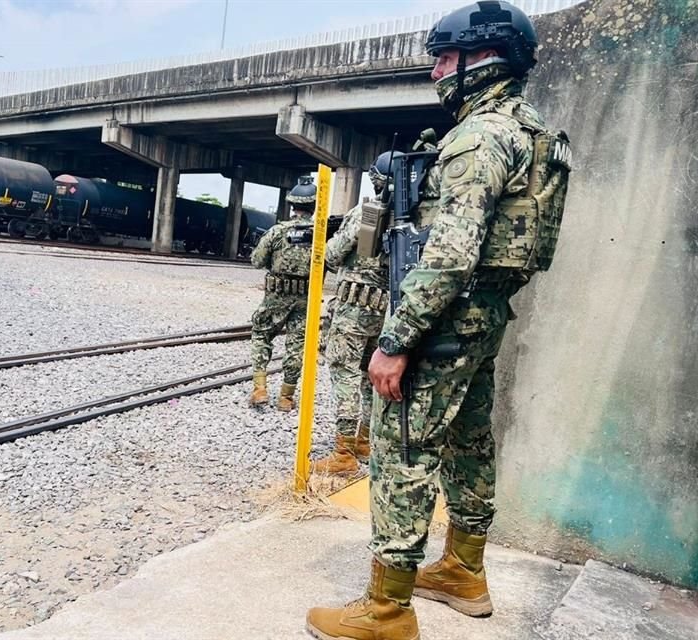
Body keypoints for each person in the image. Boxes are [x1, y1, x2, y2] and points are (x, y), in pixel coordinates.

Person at [306, 2, 571, 638]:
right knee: (471, 436)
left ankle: (387, 610)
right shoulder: (533, 131)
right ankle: (463, 569)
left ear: (484, 59)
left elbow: (450, 253)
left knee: (401, 445)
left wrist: (396, 340)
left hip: (448, 315)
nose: (435, 73)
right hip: (488, 313)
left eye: (444, 58)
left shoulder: (479, 137)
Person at [309, 158, 395, 476]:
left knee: (343, 371)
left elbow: (331, 256)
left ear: (374, 181)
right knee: (369, 375)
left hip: (352, 308)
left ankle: (343, 453)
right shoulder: (408, 217)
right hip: (385, 310)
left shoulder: (366, 212)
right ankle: (365, 439)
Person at [248, 175, 317, 411]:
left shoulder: (278, 231)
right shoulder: (321, 234)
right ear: (314, 206)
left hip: (276, 296)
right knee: (296, 346)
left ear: (292, 205)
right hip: (305, 298)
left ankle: (259, 389)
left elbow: (257, 261)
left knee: (261, 334)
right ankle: (286, 397)